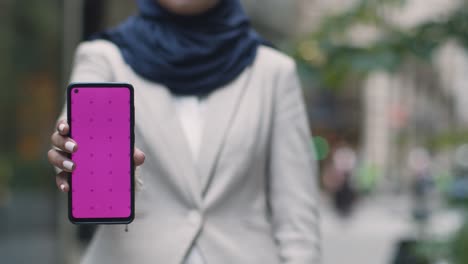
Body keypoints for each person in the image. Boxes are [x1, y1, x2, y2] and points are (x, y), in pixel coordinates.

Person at [47, 0, 320, 263]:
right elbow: (76, 117)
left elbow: (297, 218)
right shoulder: (104, 57)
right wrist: (71, 144)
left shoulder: (274, 72)